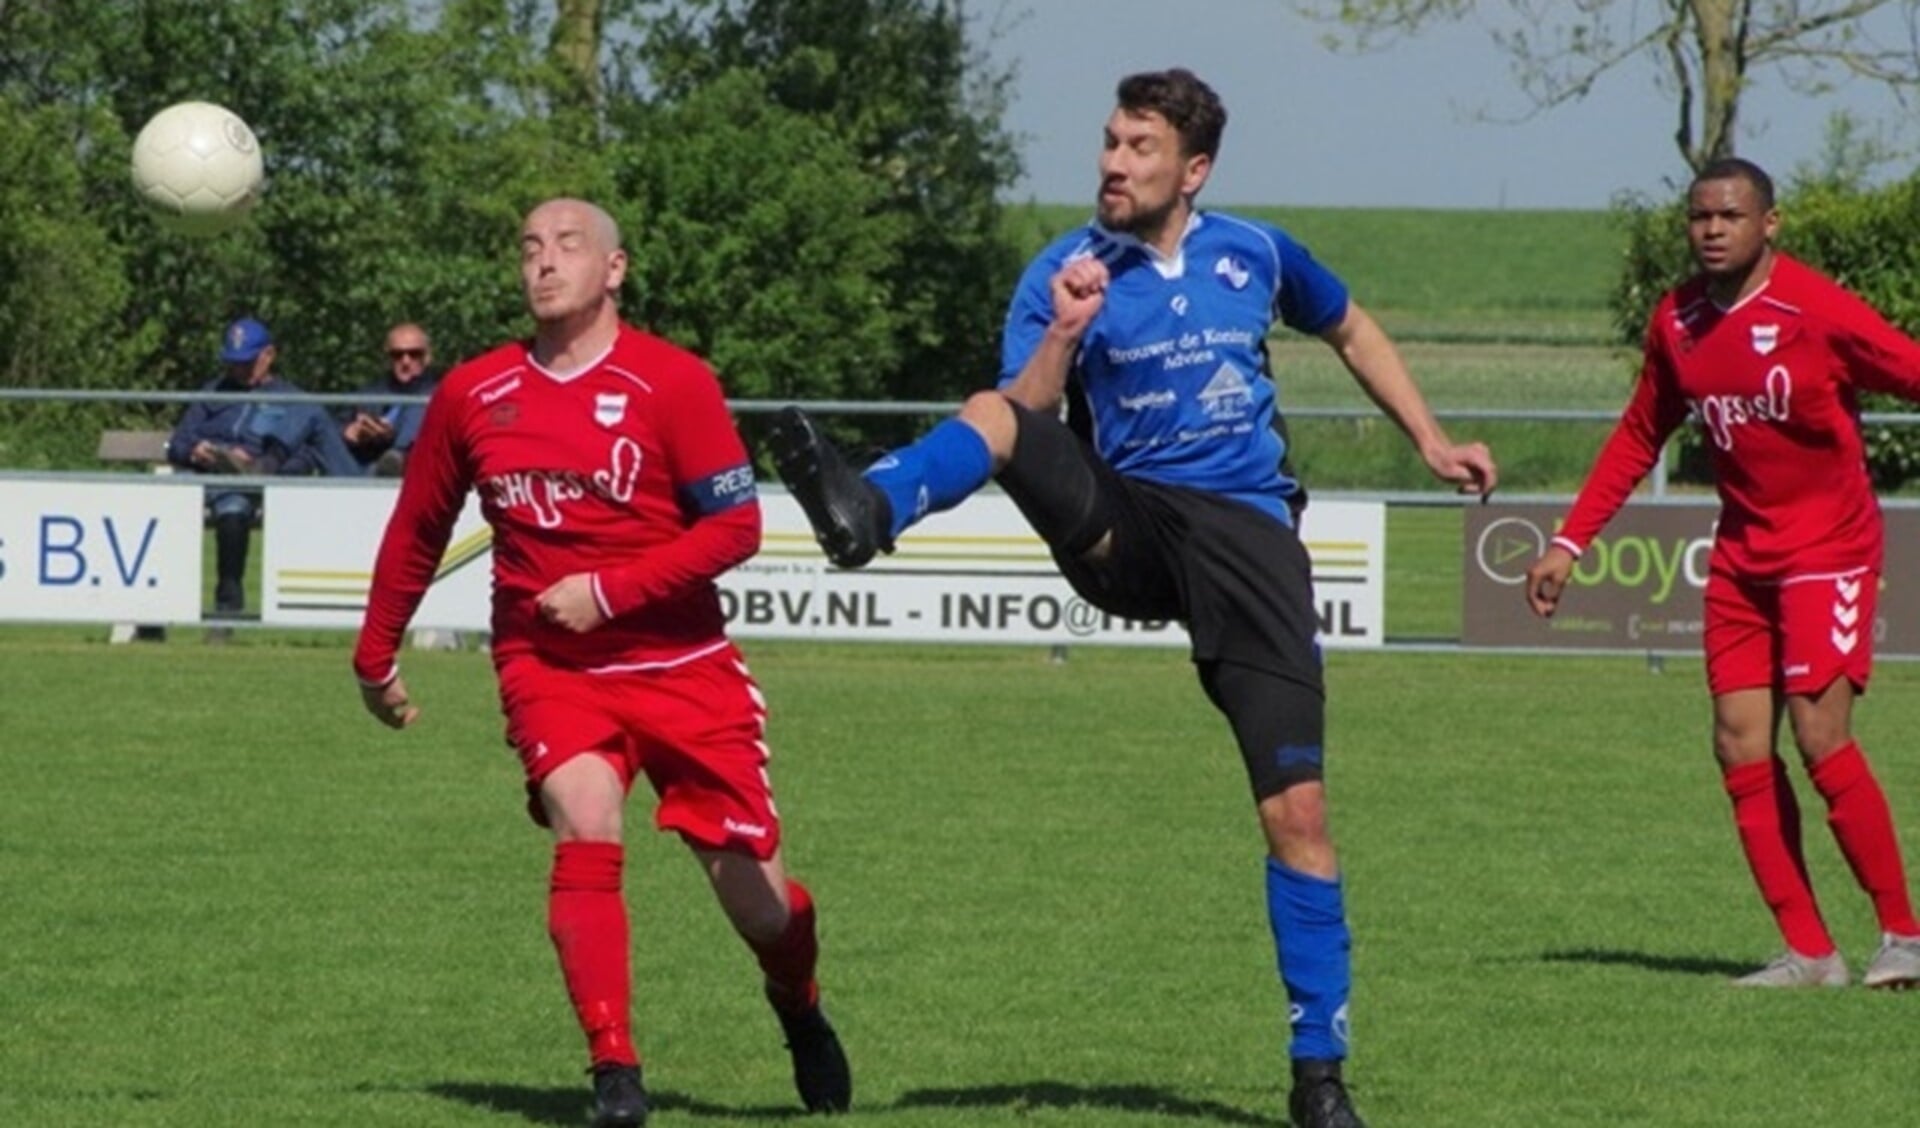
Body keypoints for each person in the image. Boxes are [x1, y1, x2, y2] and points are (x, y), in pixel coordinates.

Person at [770, 69, 1495, 1128]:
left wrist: (1430, 438)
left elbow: (1350, 328)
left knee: (1299, 814)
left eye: (1140, 147)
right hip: (1132, 525)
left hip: (1249, 542)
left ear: (1192, 169)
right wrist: (1065, 330)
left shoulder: (1258, 251)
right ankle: (867, 510)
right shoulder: (1065, 270)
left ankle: (1318, 1074)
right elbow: (1027, 420)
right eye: (1110, 141)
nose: (1114, 162)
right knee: (990, 410)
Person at [351, 198, 850, 1126]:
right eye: (530, 248)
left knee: (761, 907)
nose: (545, 263)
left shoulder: (675, 383)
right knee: (585, 815)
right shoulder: (475, 392)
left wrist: (611, 591)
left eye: (569, 246)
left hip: (682, 662)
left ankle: (800, 1004)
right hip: (551, 665)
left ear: (614, 270)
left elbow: (737, 526)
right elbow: (419, 526)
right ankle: (615, 1072)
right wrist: (374, 654)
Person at [1525, 158, 1920, 991]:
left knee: (1821, 739)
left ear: (1768, 225)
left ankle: (1903, 937)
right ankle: (1810, 955)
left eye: (1730, 216)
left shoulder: (1815, 310)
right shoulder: (1677, 322)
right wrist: (1570, 543)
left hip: (1830, 552)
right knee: (1738, 744)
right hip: (1742, 559)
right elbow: (1640, 435)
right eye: (1699, 217)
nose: (1711, 230)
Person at [166, 317, 362, 621]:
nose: (237, 370)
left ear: (268, 355)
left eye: (246, 363)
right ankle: (156, 614)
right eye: (232, 363)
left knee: (235, 505)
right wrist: (196, 451)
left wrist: (273, 467)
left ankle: (226, 608)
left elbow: (309, 454)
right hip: (203, 476)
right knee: (183, 503)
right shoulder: (212, 393)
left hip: (260, 483)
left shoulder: (292, 400)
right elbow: (178, 442)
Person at [343, 322, 440, 475]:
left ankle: (399, 455)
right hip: (362, 470)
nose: (405, 361)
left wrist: (391, 437)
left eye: (414, 354)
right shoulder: (369, 394)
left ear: (427, 357)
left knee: (426, 401)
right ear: (388, 358)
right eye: (397, 355)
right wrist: (349, 432)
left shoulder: (440, 394)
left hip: (418, 472)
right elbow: (332, 429)